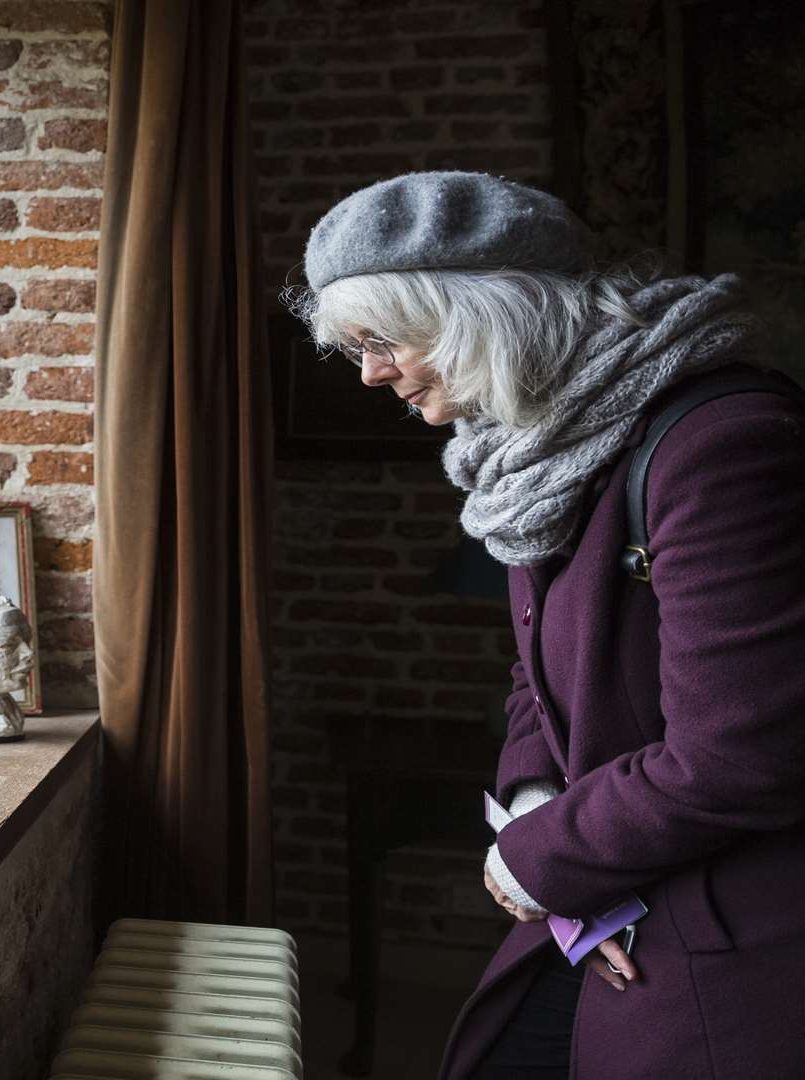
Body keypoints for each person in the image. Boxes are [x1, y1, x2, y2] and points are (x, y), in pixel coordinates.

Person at [288, 171, 805, 1079]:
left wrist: (544, 856)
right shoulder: (542, 446)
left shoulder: (719, 444)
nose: (370, 373)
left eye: (380, 340)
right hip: (609, 894)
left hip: (730, 929)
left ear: (476, 314)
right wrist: (532, 800)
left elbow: (744, 752)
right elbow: (537, 678)